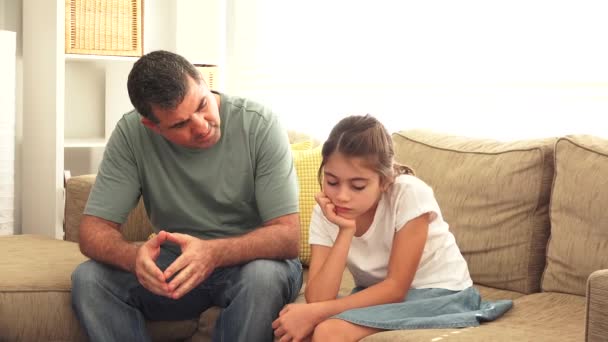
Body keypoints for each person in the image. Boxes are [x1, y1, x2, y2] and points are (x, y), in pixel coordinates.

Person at [71, 50, 303, 342]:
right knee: (90, 279)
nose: (202, 125)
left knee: (263, 278)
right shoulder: (132, 133)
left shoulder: (259, 124)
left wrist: (212, 254)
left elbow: (288, 236)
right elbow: (92, 230)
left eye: (202, 104)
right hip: (176, 265)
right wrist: (133, 258)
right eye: (181, 124)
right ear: (152, 126)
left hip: (254, 262)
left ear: (203, 81)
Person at [272, 114, 512, 341]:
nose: (341, 196)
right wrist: (345, 232)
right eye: (332, 181)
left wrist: (317, 313)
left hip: (442, 293)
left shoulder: (409, 194)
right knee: (298, 333)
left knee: (328, 331)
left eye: (357, 186)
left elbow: (396, 287)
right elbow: (318, 298)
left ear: (384, 181)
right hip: (380, 297)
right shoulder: (326, 210)